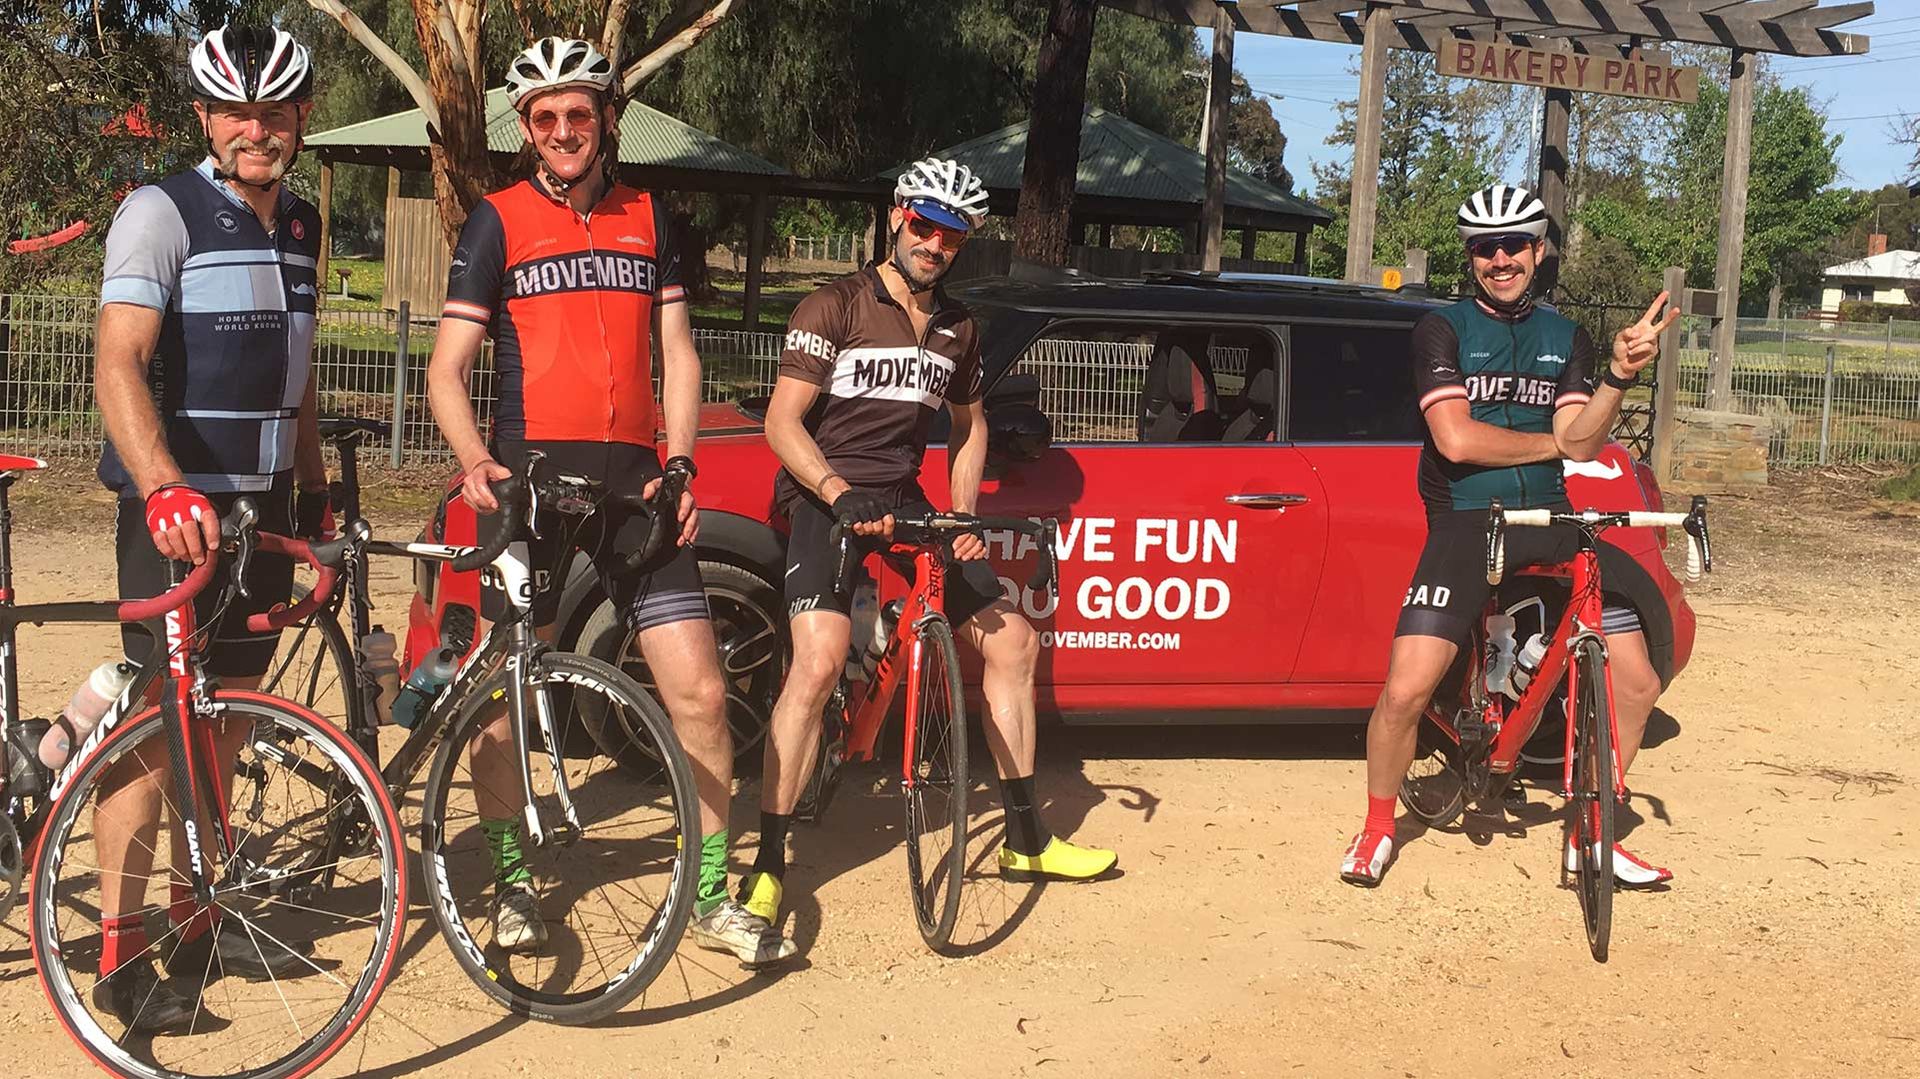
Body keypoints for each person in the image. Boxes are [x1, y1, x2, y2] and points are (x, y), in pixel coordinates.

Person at [426, 36, 792, 967]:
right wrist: (476, 461)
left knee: (704, 694)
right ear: (525, 129)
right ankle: (512, 880)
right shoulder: (495, 221)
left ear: (606, 121)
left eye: (577, 114)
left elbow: (679, 355)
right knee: (504, 703)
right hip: (529, 492)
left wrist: (679, 463)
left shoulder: (647, 216)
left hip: (638, 489)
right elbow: (447, 372)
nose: (561, 131)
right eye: (543, 117)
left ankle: (707, 889)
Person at [738, 157, 1117, 947]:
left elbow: (969, 423)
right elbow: (782, 423)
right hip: (823, 495)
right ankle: (768, 862)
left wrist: (962, 512)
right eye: (924, 225)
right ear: (898, 214)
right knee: (816, 659)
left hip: (908, 501)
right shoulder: (833, 304)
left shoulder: (959, 327)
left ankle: (1023, 840)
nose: (934, 244)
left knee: (1014, 640)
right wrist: (839, 493)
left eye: (953, 234)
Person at [89, 23, 333, 1031]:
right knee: (157, 725)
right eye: (236, 111)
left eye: (274, 111)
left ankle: (196, 916)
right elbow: (117, 361)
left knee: (225, 716)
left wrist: (316, 493)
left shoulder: (304, 224)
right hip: (177, 513)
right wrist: (162, 484)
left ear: (301, 119)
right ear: (204, 116)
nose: (256, 129)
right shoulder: (161, 211)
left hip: (263, 512)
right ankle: (117, 944)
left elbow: (298, 375)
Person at [1339, 183, 1682, 889]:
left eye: (1513, 245)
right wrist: (1553, 444)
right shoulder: (1443, 328)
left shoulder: (1567, 337)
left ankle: (1594, 832)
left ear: (1538, 250)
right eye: (1484, 248)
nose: (1500, 258)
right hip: (1469, 520)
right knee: (1404, 691)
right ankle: (1377, 826)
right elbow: (1457, 441)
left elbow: (1584, 443)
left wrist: (1619, 374)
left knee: (1639, 681)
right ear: (1470, 258)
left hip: (1553, 521)